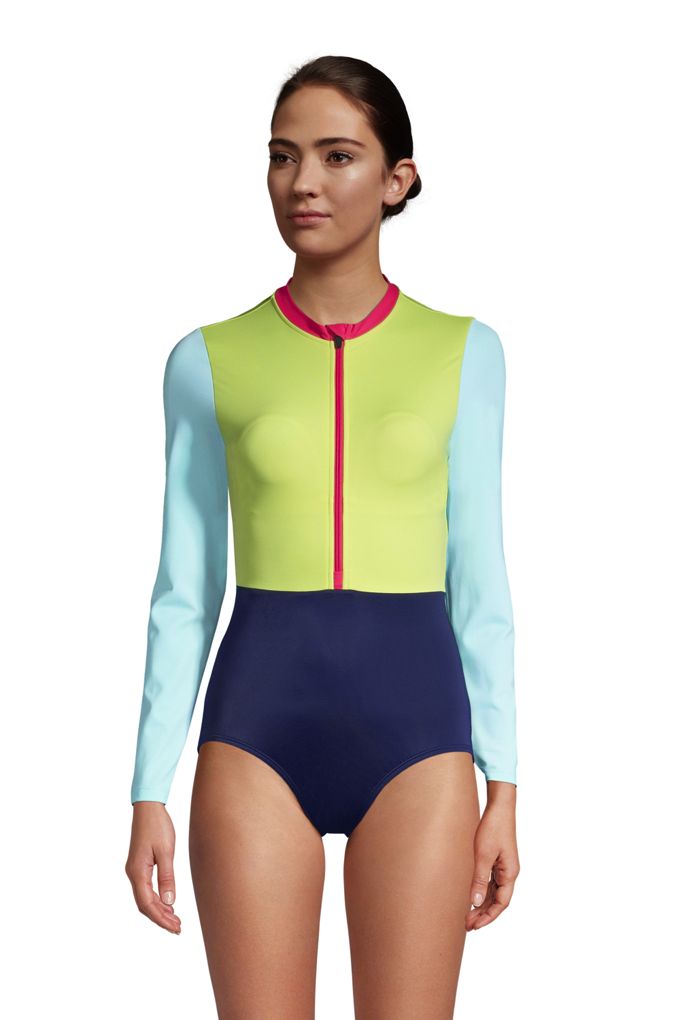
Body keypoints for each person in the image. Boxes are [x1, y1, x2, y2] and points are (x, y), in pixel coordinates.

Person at [125, 54, 520, 1019]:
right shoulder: (206, 359)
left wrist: (504, 783)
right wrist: (147, 788)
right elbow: (184, 590)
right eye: (283, 156)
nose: (303, 182)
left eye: (338, 156)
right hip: (256, 737)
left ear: (397, 179)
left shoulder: (466, 353)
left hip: (421, 741)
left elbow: (479, 577)